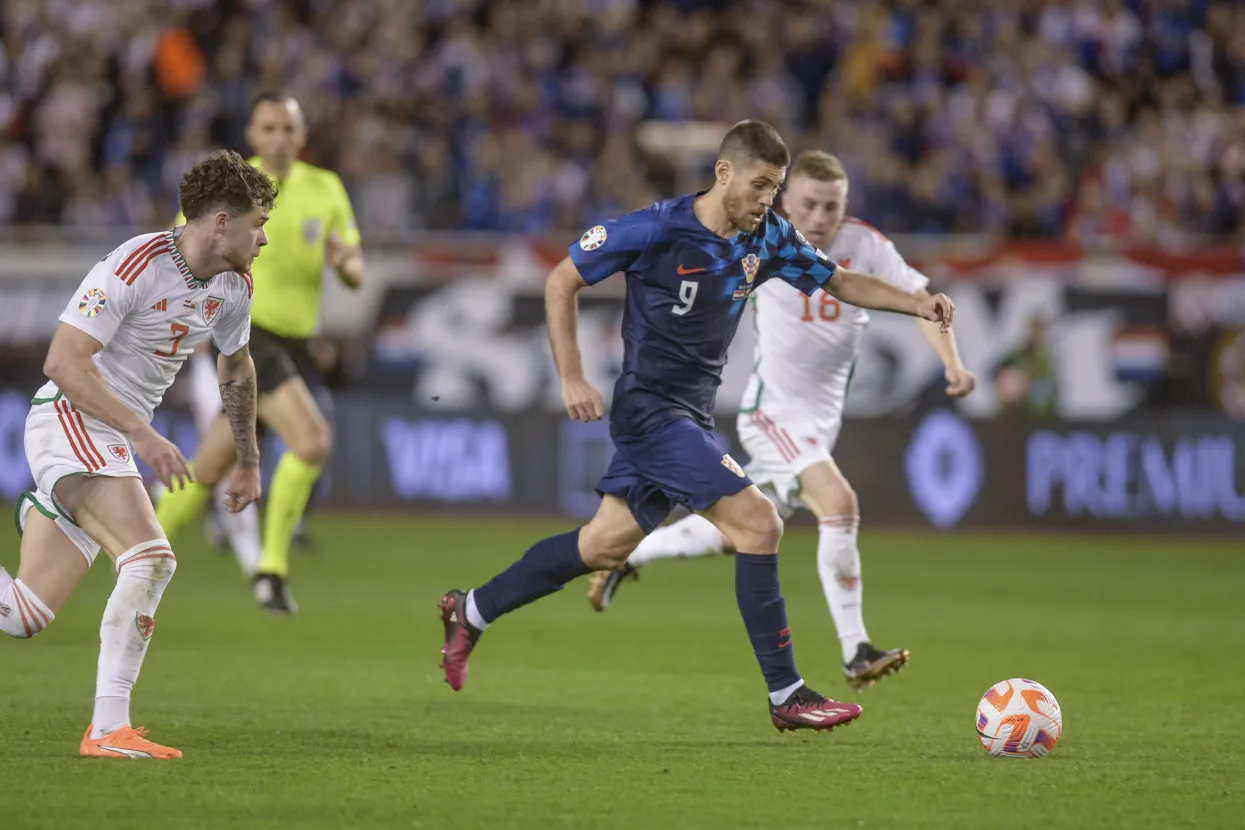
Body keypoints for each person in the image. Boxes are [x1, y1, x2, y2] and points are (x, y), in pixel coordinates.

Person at [437, 121, 957, 731]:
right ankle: (787, 694)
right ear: (723, 172)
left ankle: (471, 609)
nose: (768, 199)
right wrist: (572, 376)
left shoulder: (768, 237)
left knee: (602, 546)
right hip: (650, 413)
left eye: (775, 187)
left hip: (692, 415)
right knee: (759, 522)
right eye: (760, 185)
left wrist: (917, 302)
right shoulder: (656, 228)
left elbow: (839, 280)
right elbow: (561, 279)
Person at [586, 151, 978, 690]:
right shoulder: (764, 241)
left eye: (832, 206)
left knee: (737, 532)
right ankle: (856, 650)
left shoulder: (866, 245)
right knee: (838, 503)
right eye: (809, 204)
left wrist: (952, 362)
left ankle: (628, 554)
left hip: (820, 424)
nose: (820, 217)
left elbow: (919, 302)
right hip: (772, 413)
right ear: (786, 201)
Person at [2, 150, 273, 758]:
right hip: (72, 419)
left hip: (112, 438)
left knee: (24, 614)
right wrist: (144, 435)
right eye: (257, 224)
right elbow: (62, 362)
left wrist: (248, 459)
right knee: (151, 558)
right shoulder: (135, 264)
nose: (263, 239)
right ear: (222, 222)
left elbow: (236, 367)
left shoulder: (234, 285)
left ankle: (108, 728)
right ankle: (107, 729)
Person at [155, 92, 366, 614]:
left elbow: (357, 268)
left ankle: (135, 544)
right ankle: (271, 569)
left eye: (288, 128)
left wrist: (345, 264)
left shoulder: (326, 188)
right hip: (247, 336)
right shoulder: (229, 185)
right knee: (312, 441)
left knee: (209, 467)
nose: (279, 138)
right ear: (252, 134)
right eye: (269, 128)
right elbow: (179, 245)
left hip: (296, 345)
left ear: (302, 134)